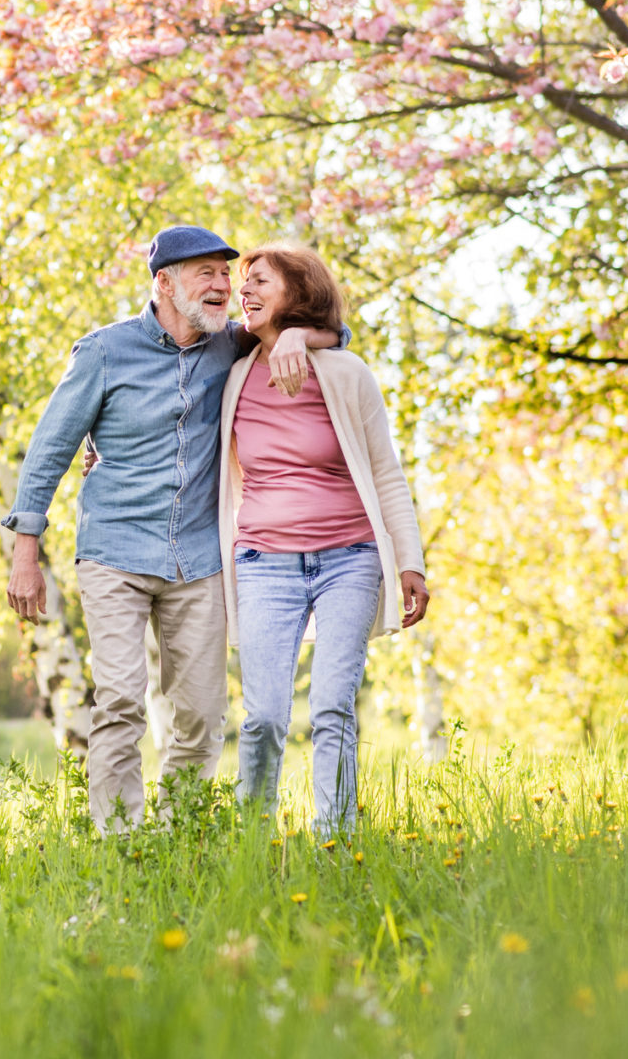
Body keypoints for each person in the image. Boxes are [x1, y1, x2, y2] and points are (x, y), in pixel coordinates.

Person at [3, 225, 348, 833]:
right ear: (164, 283)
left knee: (201, 715)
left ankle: (175, 839)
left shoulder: (231, 346)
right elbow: (49, 451)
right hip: (114, 552)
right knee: (118, 703)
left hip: (200, 558)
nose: (223, 286)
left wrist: (295, 332)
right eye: (207, 274)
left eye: (226, 273)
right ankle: (120, 846)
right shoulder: (104, 352)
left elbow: (337, 335)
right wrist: (25, 552)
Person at [217, 241, 429, 835]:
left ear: (298, 290)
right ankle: (253, 840)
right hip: (263, 562)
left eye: (260, 280)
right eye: (244, 283)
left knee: (333, 706)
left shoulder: (346, 372)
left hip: (350, 559)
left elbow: (386, 470)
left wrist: (408, 559)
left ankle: (335, 840)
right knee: (262, 716)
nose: (245, 290)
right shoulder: (230, 374)